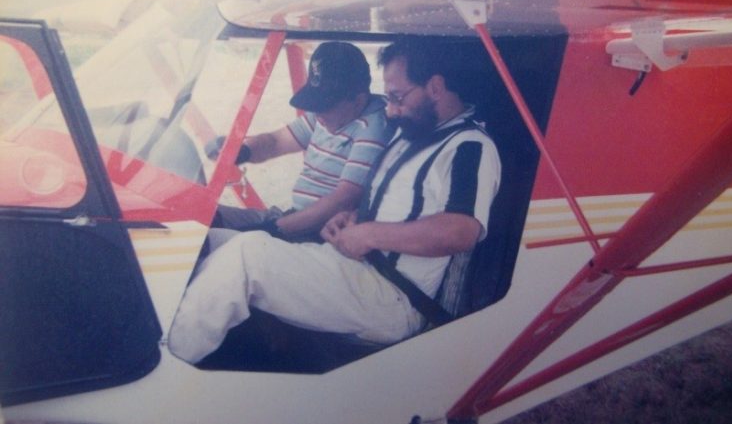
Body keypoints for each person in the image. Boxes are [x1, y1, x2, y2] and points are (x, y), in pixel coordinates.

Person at [168, 38, 501, 364]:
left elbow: (461, 231)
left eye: (398, 97)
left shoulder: (469, 147)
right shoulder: (412, 131)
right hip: (356, 268)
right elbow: (391, 205)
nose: (390, 109)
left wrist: (369, 234)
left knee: (246, 254)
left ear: (436, 87)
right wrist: (353, 219)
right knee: (213, 240)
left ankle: (169, 367)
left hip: (395, 297)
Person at [208, 41, 394, 241]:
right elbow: (276, 141)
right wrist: (243, 150)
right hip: (292, 218)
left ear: (358, 101)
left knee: (219, 244)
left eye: (326, 105)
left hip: (318, 233)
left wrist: (272, 230)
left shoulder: (373, 126)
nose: (317, 112)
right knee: (205, 216)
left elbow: (344, 200)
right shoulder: (325, 116)